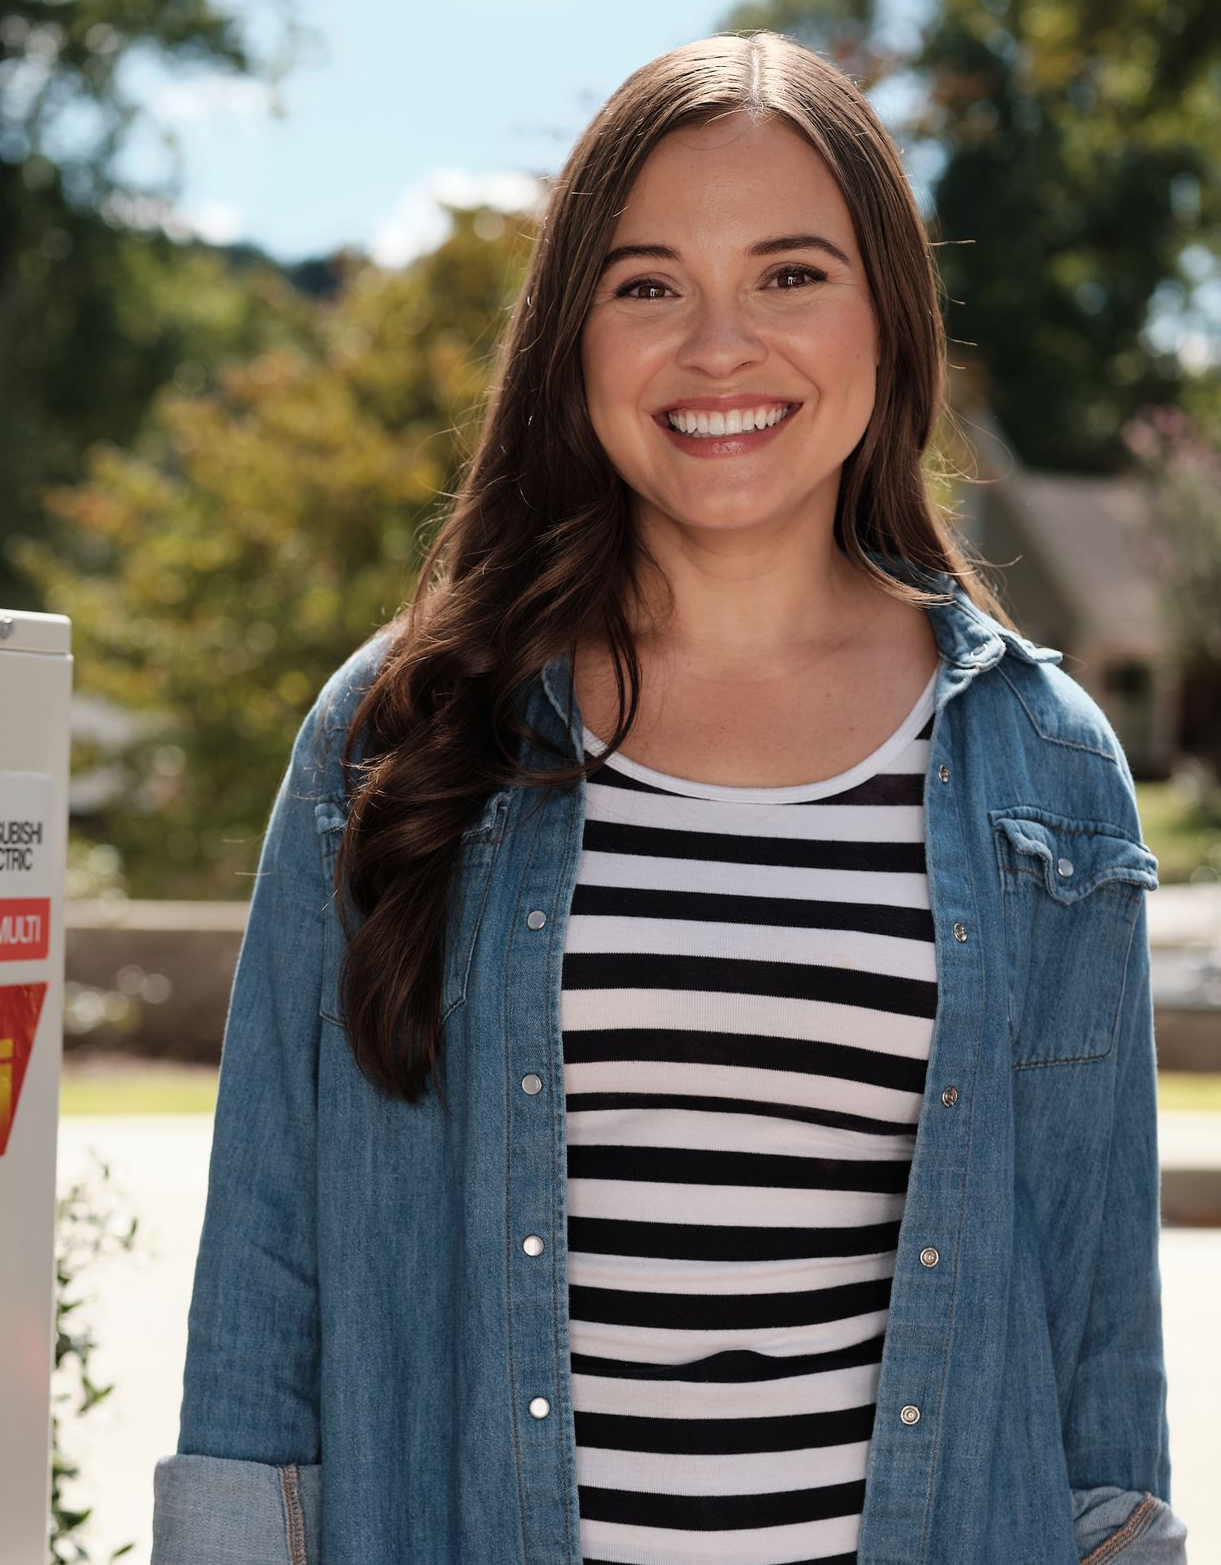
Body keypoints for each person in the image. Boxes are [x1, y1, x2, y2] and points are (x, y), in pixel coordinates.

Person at [151, 29, 1188, 1565]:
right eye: (648, 285)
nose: (720, 349)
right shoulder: (406, 732)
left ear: (889, 320)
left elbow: (1099, 1350)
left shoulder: (1044, 769)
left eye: (790, 276)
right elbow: (267, 1281)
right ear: (574, 335)